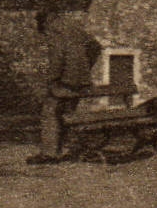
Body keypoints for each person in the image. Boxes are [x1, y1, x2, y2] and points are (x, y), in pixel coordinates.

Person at [28, 9, 102, 164]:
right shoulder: (74, 28)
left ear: (46, 20)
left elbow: (57, 57)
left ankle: (49, 153)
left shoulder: (55, 31)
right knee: (69, 113)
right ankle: (68, 146)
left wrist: (52, 79)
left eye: (40, 22)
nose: (40, 26)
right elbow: (96, 46)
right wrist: (86, 66)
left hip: (65, 82)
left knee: (49, 111)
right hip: (82, 80)